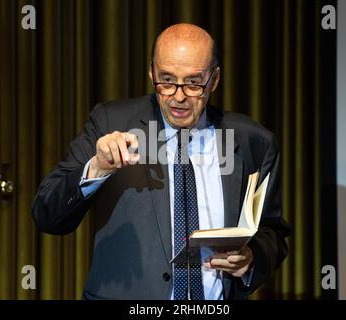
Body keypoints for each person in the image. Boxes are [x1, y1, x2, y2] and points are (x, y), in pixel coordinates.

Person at [32, 23, 290, 300]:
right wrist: (96, 168)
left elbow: (272, 232)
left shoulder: (253, 141)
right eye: (166, 80)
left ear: (214, 80)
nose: (178, 97)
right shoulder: (110, 122)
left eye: (193, 83)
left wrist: (251, 257)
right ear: (151, 72)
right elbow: (47, 215)